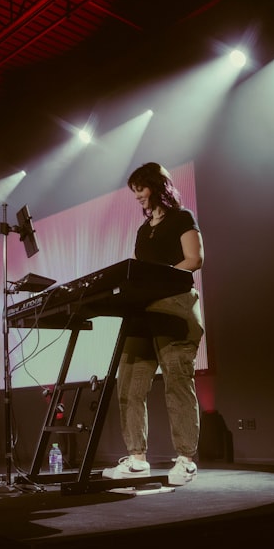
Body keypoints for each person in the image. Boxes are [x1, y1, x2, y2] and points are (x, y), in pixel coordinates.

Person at [103, 162, 205, 486]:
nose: (138, 198)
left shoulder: (182, 217)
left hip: (174, 308)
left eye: (141, 190)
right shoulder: (143, 230)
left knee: (177, 381)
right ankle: (136, 460)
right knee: (129, 384)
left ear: (157, 186)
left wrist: (159, 281)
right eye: (134, 193)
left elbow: (195, 258)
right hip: (143, 313)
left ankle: (186, 460)